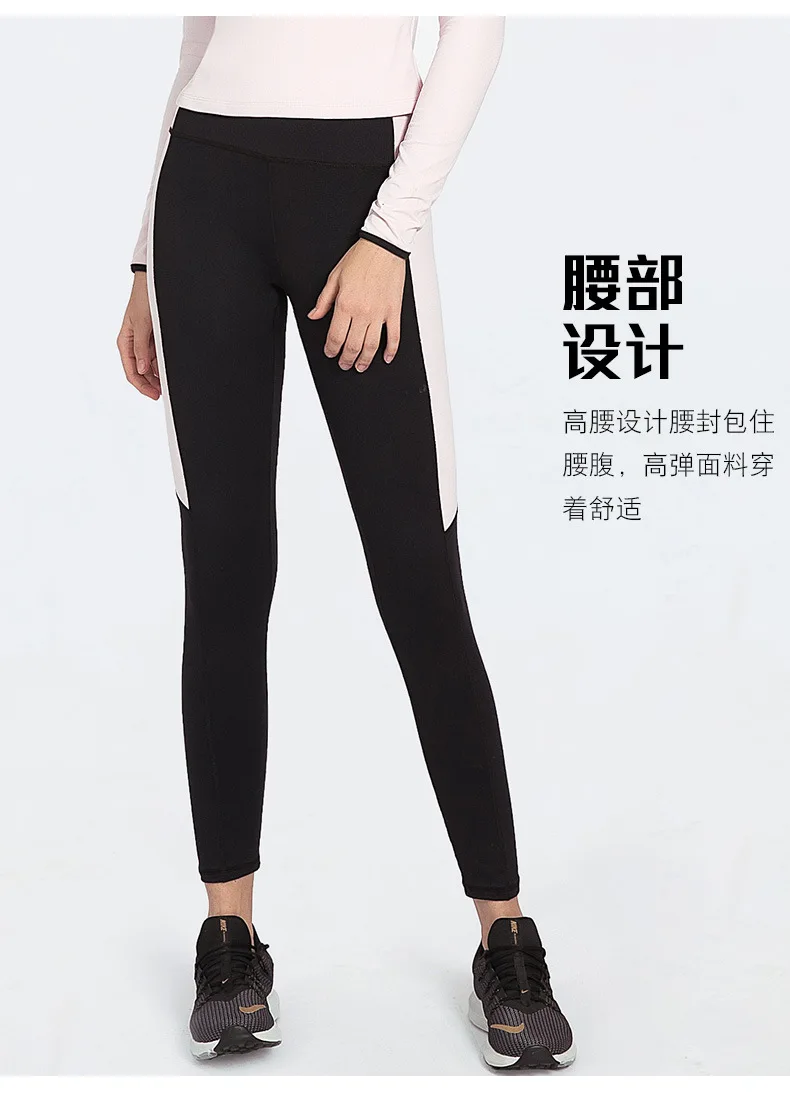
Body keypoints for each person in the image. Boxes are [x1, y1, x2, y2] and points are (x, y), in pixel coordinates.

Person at [116, 15, 575, 1071]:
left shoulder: (382, 218)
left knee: (418, 574)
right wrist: (144, 257)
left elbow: (477, 31)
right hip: (204, 188)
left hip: (360, 190)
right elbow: (197, 48)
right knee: (225, 567)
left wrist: (390, 234)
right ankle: (229, 944)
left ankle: (504, 934)